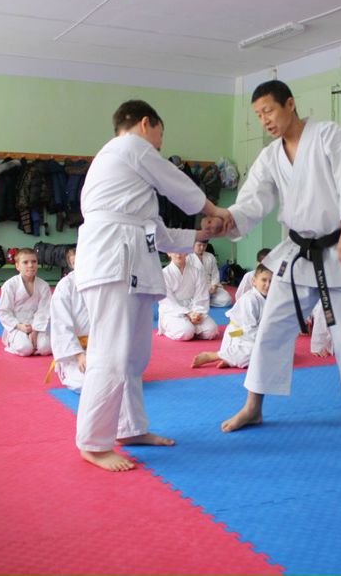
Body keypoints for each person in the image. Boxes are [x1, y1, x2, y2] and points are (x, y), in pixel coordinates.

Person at [73, 99, 229, 472]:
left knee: (133, 355)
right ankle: (93, 442)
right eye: (160, 136)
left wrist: (201, 234)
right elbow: (175, 183)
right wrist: (215, 210)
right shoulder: (128, 146)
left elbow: (157, 233)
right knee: (110, 353)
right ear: (146, 124)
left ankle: (129, 428)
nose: (159, 144)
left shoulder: (128, 183)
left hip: (130, 261)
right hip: (112, 263)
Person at [220, 80, 341, 436]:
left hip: (339, 249)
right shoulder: (270, 156)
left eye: (268, 110)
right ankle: (253, 406)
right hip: (297, 254)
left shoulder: (329, 136)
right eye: (258, 115)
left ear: (290, 104)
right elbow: (253, 200)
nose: (264, 120)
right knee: (271, 328)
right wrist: (227, 219)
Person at [193, 264, 272, 369]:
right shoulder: (249, 299)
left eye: (271, 281)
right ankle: (214, 356)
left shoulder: (269, 298)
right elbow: (249, 330)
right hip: (239, 335)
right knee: (257, 353)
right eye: (264, 280)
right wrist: (267, 339)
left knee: (275, 351)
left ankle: (230, 360)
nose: (268, 284)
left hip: (255, 335)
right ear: (254, 281)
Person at [0, 248, 52, 356]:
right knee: (25, 348)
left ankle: (34, 342)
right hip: (17, 325)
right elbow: (3, 311)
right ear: (17, 266)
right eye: (25, 262)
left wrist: (35, 330)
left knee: (46, 348)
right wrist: (18, 326)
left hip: (36, 325)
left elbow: (44, 310)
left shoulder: (43, 285)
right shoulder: (10, 285)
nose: (30, 265)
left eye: (34, 261)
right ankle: (10, 342)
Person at [49, 248, 89, 391]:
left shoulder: (102, 284)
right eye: (76, 262)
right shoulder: (65, 286)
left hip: (99, 345)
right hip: (74, 352)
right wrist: (79, 355)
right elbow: (61, 324)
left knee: (123, 377)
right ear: (72, 265)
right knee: (86, 384)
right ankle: (66, 371)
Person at [158, 251, 220, 341]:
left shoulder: (196, 272)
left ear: (186, 252)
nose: (178, 254)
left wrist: (196, 313)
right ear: (168, 253)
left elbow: (201, 295)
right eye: (174, 251)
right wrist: (188, 313)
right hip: (173, 312)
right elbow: (167, 301)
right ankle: (167, 329)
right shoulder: (163, 274)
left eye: (181, 251)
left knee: (212, 331)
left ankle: (192, 328)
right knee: (186, 332)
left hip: (194, 308)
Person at [190, 240, 232, 307]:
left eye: (204, 245)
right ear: (193, 244)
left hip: (210, 286)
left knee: (227, 299)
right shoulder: (188, 257)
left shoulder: (210, 256)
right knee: (187, 300)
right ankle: (203, 301)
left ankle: (204, 302)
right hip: (195, 288)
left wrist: (214, 286)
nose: (202, 248)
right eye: (199, 245)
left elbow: (215, 274)